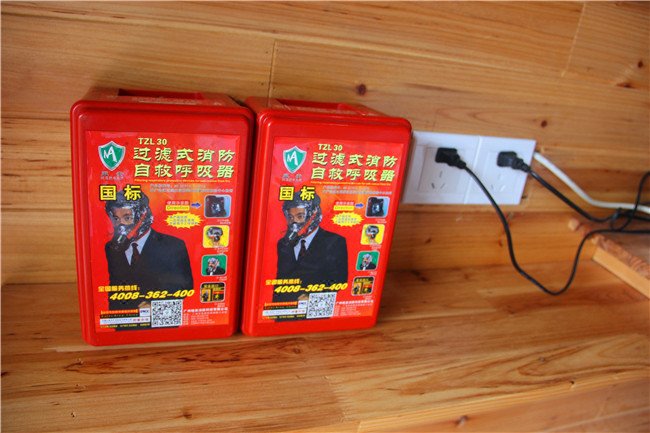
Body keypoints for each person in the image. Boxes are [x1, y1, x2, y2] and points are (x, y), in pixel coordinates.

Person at [104, 190, 193, 310]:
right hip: (124, 318)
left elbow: (185, 286)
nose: (121, 225)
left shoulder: (173, 245)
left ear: (143, 216)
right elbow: (115, 286)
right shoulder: (112, 248)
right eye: (116, 218)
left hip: (159, 318)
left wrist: (156, 305)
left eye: (127, 217)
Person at [275, 190, 348, 302]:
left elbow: (339, 280)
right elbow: (281, 280)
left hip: (315, 306)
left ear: (314, 215)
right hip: (285, 307)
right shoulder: (283, 244)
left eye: (300, 216)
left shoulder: (335, 242)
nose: (294, 222)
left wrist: (313, 297)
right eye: (290, 217)